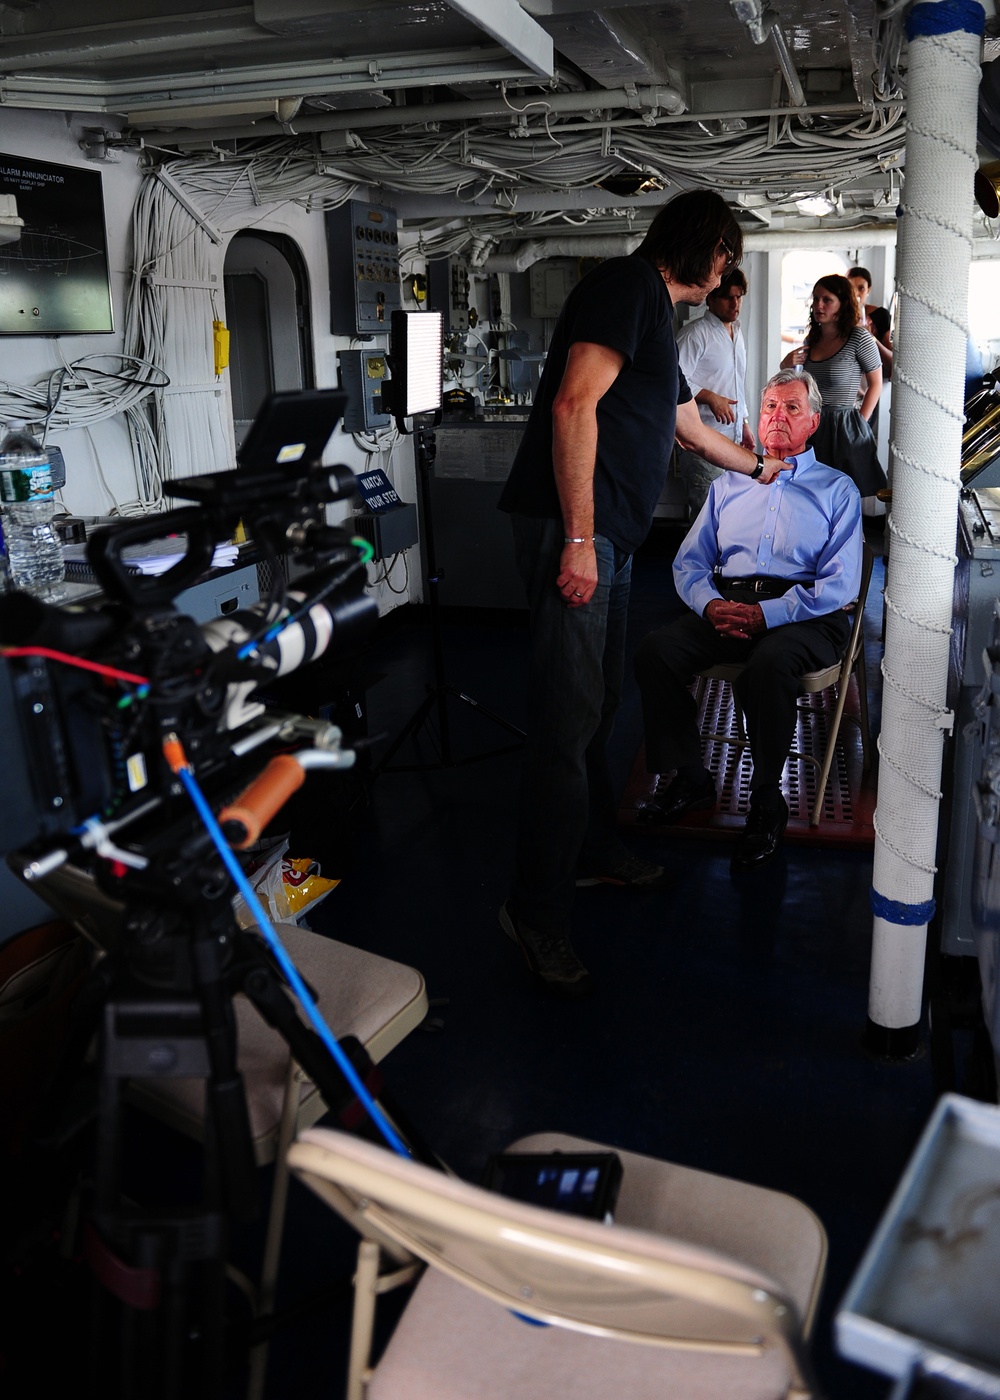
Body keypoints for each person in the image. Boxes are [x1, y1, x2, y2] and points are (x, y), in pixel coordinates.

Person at [496, 189, 789, 998]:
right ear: (701, 246)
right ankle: (535, 913)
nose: (729, 269)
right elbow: (574, 403)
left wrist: (761, 467)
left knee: (593, 705)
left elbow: (687, 427)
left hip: (611, 537)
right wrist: (582, 539)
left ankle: (593, 848)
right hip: (576, 533)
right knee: (564, 718)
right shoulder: (627, 288)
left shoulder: (656, 314)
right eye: (727, 254)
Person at [633, 369, 863, 873]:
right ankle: (692, 778)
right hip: (730, 603)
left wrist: (770, 614)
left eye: (792, 409)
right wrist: (711, 605)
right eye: (770, 408)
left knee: (769, 665)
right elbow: (689, 563)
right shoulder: (730, 483)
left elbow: (840, 587)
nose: (778, 417)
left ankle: (766, 802)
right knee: (657, 651)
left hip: (806, 612)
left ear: (814, 422)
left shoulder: (837, 489)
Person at [781, 273, 886, 496]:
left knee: (845, 495)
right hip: (813, 423)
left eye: (827, 300)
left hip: (845, 426)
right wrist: (785, 365)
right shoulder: (813, 338)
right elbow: (801, 385)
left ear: (842, 304)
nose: (819, 305)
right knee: (812, 494)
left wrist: (860, 423)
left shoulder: (859, 337)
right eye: (816, 299)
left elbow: (875, 383)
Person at [675, 268, 755, 515]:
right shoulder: (694, 334)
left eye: (739, 297)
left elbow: (736, 383)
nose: (735, 304)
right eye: (728, 297)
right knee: (707, 516)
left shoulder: (736, 334)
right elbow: (673, 380)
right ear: (710, 298)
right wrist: (709, 397)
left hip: (732, 439)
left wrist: (744, 423)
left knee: (730, 513)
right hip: (701, 439)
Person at [847, 267, 893, 380]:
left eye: (861, 288)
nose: (856, 294)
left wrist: (870, 337)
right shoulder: (838, 317)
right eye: (851, 288)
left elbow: (891, 361)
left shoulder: (881, 316)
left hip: (875, 379)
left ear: (868, 290)